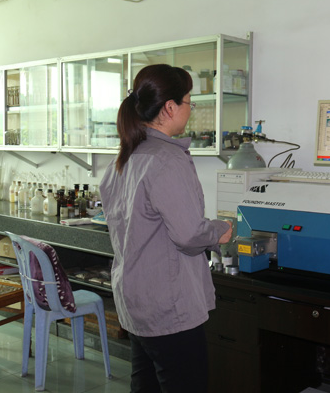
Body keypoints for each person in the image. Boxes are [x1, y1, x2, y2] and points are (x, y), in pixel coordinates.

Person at [99, 64, 233, 393]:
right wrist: (220, 230)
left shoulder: (124, 159)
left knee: (145, 384)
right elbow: (188, 234)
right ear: (170, 107)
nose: (191, 109)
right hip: (168, 306)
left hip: (136, 300)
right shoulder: (167, 159)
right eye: (189, 101)